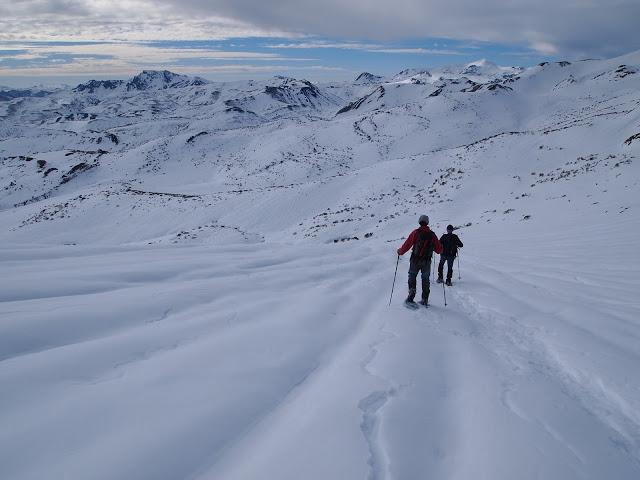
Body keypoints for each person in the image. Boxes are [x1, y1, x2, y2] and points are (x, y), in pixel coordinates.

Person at [397, 214, 443, 305]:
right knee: (425, 279)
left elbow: (407, 244)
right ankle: (425, 299)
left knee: (412, 276)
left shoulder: (415, 232)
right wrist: (441, 248)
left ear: (419, 222)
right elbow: (438, 250)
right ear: (427, 222)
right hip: (426, 262)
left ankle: (411, 294)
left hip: (415, 260)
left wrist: (400, 252)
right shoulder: (432, 235)